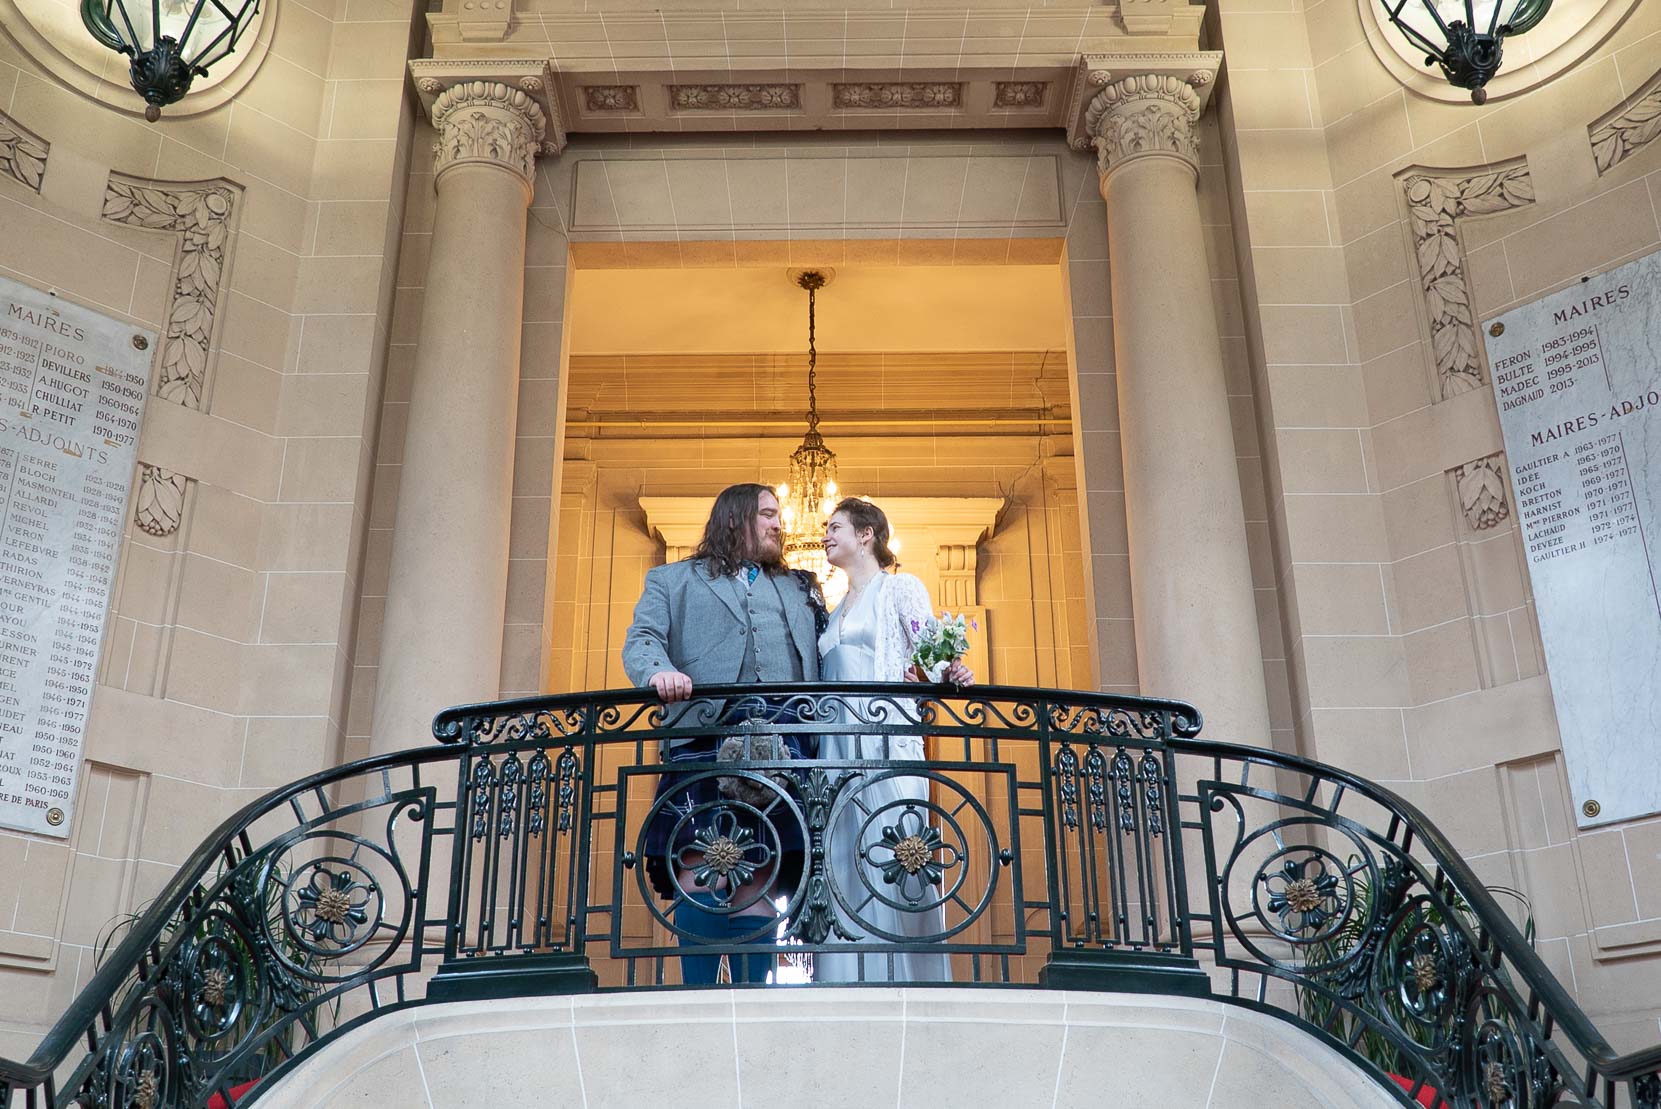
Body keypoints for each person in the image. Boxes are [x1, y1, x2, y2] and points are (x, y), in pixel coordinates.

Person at [622, 483, 825, 985]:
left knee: (762, 864)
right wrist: (657, 673)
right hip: (703, 736)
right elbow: (643, 639)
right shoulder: (672, 580)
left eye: (779, 515)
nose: (780, 524)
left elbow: (837, 648)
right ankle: (697, 994)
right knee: (700, 859)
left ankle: (753, 994)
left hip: (784, 742)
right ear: (735, 519)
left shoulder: (801, 587)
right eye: (768, 515)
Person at [814, 496, 972, 983]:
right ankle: (848, 976)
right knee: (843, 857)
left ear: (866, 535)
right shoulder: (833, 607)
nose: (825, 534)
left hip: (885, 739)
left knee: (901, 852)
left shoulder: (900, 587)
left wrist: (951, 670)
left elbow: (929, 645)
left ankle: (913, 977)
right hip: (836, 749)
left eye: (835, 526)